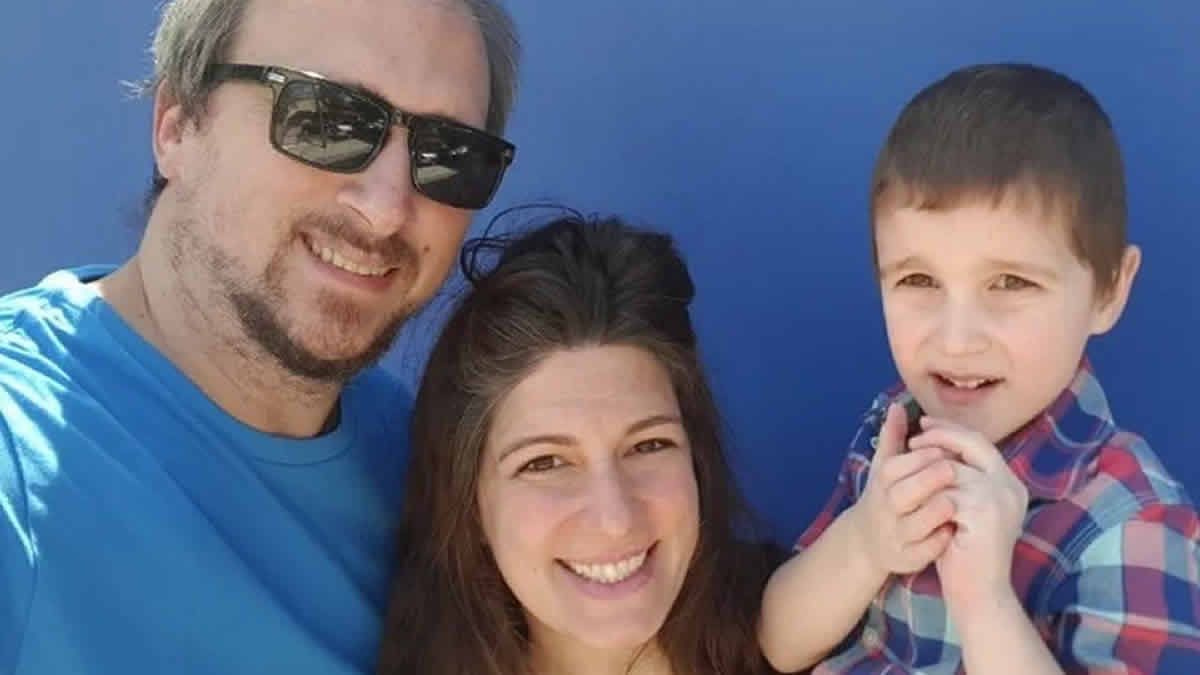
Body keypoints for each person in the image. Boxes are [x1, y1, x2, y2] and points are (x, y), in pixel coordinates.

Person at [0, 0, 519, 672]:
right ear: (177, 123)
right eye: (327, 119)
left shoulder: (443, 480)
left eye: (449, 154)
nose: (386, 208)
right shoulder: (18, 458)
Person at [758, 63, 1200, 674]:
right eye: (918, 280)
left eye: (1011, 282)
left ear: (1109, 292)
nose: (956, 339)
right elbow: (778, 644)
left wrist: (985, 601)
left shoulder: (1134, 522)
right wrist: (865, 542)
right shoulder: (893, 429)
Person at [377, 214, 784, 675]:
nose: (615, 521)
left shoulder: (824, 640)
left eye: (648, 445)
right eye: (545, 463)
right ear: (469, 504)